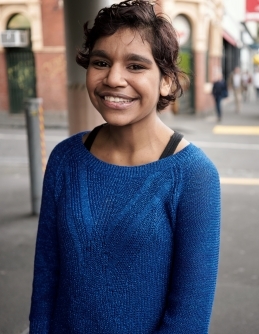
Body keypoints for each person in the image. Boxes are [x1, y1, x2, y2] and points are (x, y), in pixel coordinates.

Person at [29, 1, 221, 333]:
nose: (114, 78)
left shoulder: (194, 176)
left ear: (166, 82)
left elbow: (189, 317)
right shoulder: (64, 159)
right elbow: (46, 276)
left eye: (135, 66)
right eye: (101, 62)